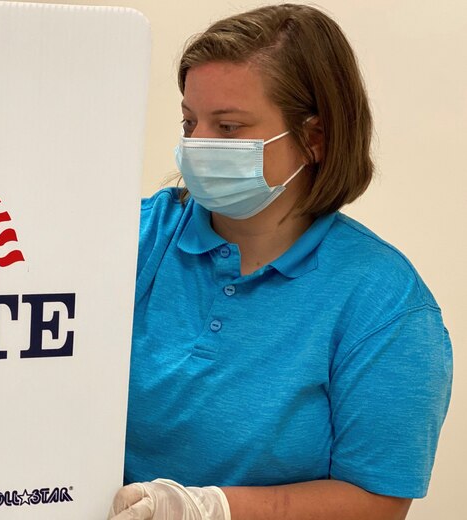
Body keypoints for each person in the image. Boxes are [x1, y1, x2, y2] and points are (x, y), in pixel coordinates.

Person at [108, 4, 452, 520]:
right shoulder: (129, 239)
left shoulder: (384, 305)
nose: (196, 145)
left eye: (227, 127)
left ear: (313, 138)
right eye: (189, 121)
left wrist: (211, 509)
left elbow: (379, 502)